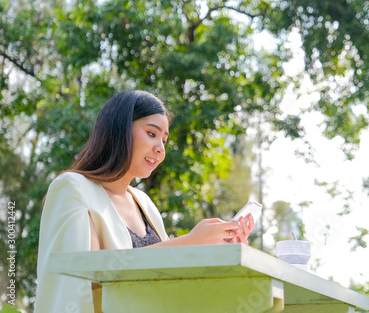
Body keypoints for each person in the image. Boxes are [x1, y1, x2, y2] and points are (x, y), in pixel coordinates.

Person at [34, 90, 254, 313]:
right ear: (119, 130)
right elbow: (90, 277)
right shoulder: (73, 187)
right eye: (151, 133)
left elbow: (171, 277)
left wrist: (219, 251)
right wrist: (190, 241)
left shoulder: (144, 203)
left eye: (164, 140)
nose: (161, 147)